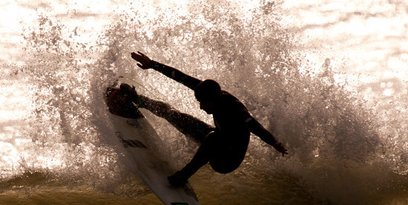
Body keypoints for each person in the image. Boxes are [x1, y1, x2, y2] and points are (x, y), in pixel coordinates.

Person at [118, 51, 288, 188]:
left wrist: (274, 143)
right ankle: (138, 99)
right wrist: (152, 64)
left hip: (227, 160)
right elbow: (181, 77)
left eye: (202, 103)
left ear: (212, 99)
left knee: (213, 138)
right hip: (216, 138)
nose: (200, 107)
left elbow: (256, 127)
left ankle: (183, 176)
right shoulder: (210, 91)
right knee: (175, 115)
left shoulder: (234, 108)